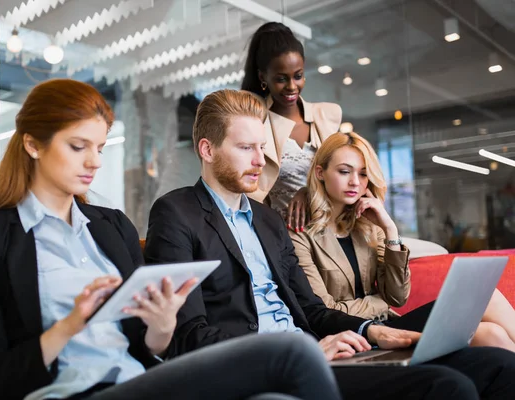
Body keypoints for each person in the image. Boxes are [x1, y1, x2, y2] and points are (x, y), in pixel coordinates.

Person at [0, 79, 342, 400]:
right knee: (293, 352)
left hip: (142, 381)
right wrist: (69, 326)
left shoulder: (110, 226)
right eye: (77, 146)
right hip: (74, 391)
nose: (95, 162)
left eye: (100, 148)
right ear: (32, 144)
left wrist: (162, 323)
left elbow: (151, 347)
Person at [144, 88, 515, 400]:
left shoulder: (268, 220)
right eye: (246, 148)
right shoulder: (176, 214)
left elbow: (312, 309)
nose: (261, 161)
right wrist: (298, 351)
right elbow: (189, 332)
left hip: (318, 347)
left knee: (500, 365)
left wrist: (368, 329)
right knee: (450, 387)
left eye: (262, 147)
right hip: (270, 364)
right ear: (207, 150)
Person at [289, 130, 515, 352]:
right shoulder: (300, 234)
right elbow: (326, 310)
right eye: (344, 171)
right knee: (485, 300)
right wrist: (380, 303)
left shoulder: (369, 227)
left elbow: (397, 297)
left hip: (389, 325)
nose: (355, 182)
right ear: (320, 172)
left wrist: (389, 229)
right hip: (356, 334)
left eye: (364, 174)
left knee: (491, 332)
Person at [241, 21, 340, 231]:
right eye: (281, 79)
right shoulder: (255, 125)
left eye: (298, 76)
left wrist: (309, 191)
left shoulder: (327, 118)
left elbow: (346, 176)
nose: (292, 86)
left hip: (331, 233)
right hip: (282, 238)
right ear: (262, 77)